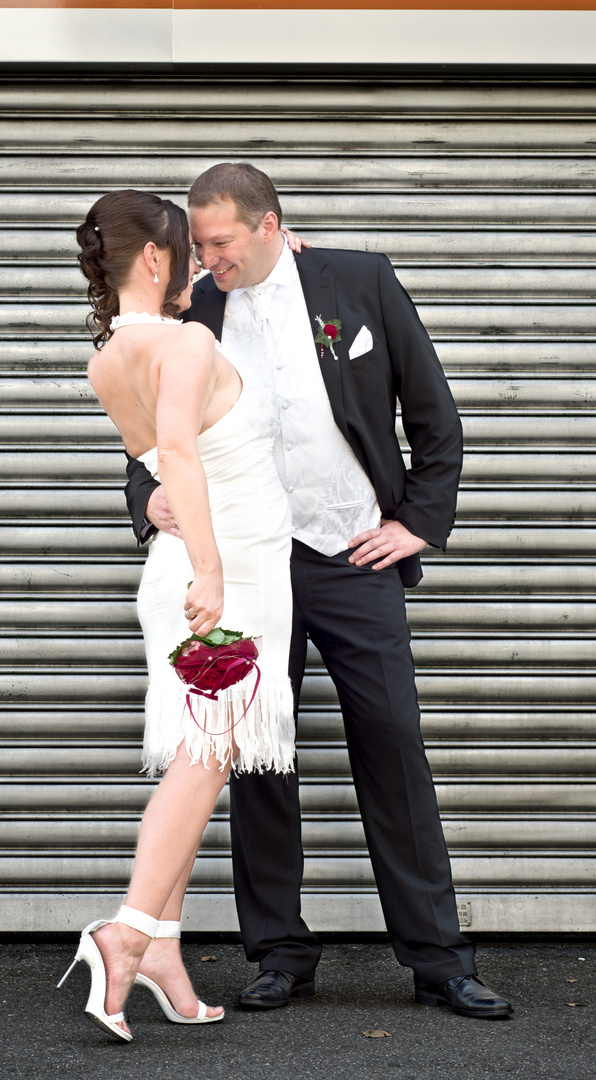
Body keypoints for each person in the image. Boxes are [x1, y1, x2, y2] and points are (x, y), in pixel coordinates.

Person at [126, 163, 513, 1020]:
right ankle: (278, 953)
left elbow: (434, 411)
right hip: (247, 556)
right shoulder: (195, 308)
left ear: (271, 227)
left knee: (392, 741)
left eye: (221, 242)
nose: (207, 256)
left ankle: (440, 958)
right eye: (198, 243)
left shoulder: (362, 279)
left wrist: (419, 520)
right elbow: (154, 433)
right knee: (259, 755)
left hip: (351, 553)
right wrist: (145, 497)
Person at [58, 188, 297, 1041]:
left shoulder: (107, 360)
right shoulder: (187, 342)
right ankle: (124, 931)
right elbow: (183, 457)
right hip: (218, 581)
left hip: (206, 573)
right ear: (157, 260)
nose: (199, 268)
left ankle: (161, 943)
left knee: (206, 763)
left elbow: (161, 464)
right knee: (203, 758)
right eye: (189, 256)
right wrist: (210, 573)